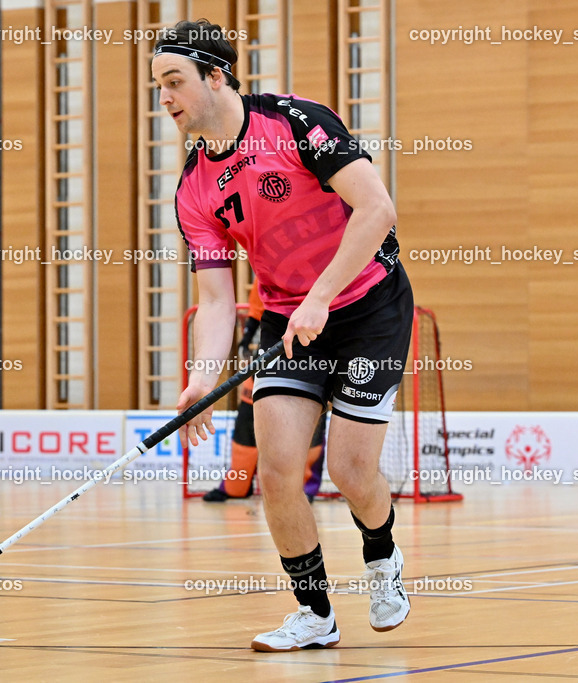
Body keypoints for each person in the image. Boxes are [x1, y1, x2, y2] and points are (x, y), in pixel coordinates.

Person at [154, 19, 414, 652]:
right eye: (158, 86)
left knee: (353, 470)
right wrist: (201, 378)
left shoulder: (297, 124)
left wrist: (322, 296)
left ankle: (382, 558)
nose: (164, 98)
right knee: (275, 471)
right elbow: (215, 298)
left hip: (367, 306)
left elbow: (377, 209)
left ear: (215, 76)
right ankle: (315, 613)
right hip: (288, 321)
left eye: (174, 82)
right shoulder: (194, 188)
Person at [202, 282, 326, 502]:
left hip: (316, 349)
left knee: (312, 423)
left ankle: (305, 488)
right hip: (271, 345)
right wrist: (248, 334)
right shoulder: (268, 268)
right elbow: (257, 303)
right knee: (249, 416)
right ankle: (236, 485)